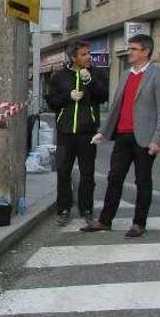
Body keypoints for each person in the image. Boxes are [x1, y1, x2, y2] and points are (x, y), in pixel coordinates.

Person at [82, 34, 160, 238]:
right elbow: (115, 106)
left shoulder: (158, 75)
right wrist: (103, 131)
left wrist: (157, 140)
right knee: (114, 178)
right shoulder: (125, 75)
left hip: (145, 137)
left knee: (142, 181)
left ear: (145, 51)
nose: (129, 52)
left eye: (133, 48)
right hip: (123, 135)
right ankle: (105, 221)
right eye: (129, 48)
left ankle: (139, 223)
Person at [45, 40, 109, 226]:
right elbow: (51, 102)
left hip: (87, 131)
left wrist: (89, 80)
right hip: (65, 132)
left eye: (88, 53)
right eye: (83, 54)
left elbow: (103, 96)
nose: (88, 57)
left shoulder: (97, 73)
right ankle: (63, 208)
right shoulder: (60, 76)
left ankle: (86, 208)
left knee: (87, 173)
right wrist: (67, 97)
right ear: (73, 57)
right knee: (63, 172)